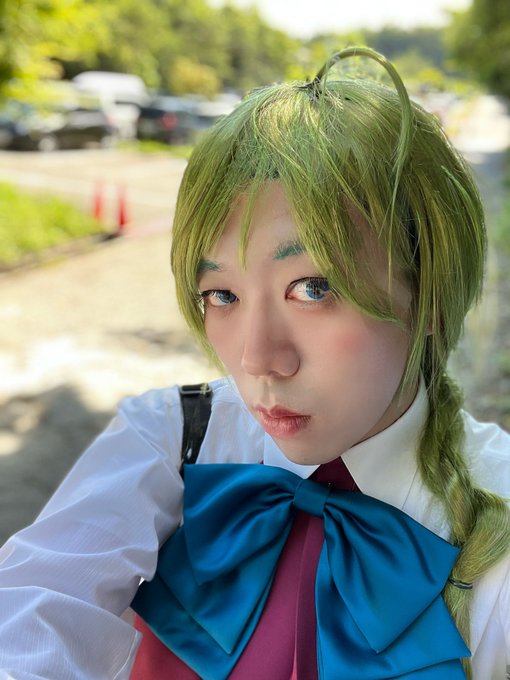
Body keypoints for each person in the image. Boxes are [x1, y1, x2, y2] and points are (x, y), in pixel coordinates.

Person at [0, 46, 509, 680]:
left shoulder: (498, 510)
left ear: (427, 293)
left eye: (314, 288)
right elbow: (36, 607)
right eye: (221, 295)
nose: (258, 359)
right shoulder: (176, 436)